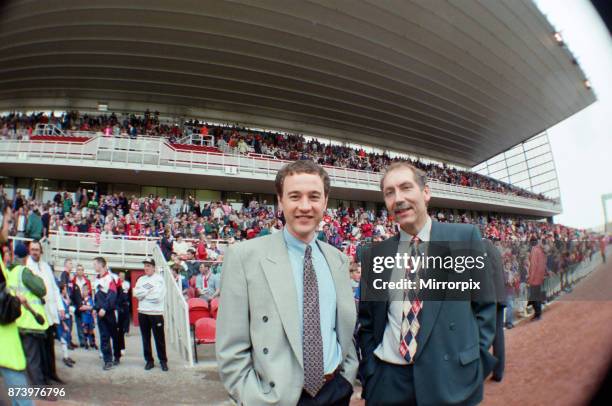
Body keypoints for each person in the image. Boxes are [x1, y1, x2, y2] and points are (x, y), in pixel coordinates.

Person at [217, 160, 358, 405]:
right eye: (295, 196)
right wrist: (251, 396)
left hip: (336, 391)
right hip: (276, 398)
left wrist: (347, 375)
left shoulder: (338, 260)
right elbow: (231, 346)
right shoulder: (244, 257)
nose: (305, 206)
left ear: (325, 202)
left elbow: (342, 328)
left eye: (314, 196)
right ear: (280, 201)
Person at [358, 162, 496, 405]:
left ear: (426, 192)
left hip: (449, 380)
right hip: (388, 383)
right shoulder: (375, 255)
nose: (398, 198)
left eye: (405, 188)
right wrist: (371, 373)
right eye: (389, 192)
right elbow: (368, 323)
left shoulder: (464, 238)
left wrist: (477, 362)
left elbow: (485, 307)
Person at [0, 206, 34, 406]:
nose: (9, 228)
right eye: (7, 223)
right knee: (22, 400)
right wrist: (15, 300)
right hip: (4, 344)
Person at [26, 241, 64, 384]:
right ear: (29, 251)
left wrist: (60, 307)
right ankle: (43, 377)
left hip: (50, 311)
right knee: (40, 348)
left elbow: (54, 288)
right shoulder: (27, 268)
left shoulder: (46, 266)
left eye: (37, 249)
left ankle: (52, 373)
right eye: (33, 249)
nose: (35, 252)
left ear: (41, 251)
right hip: (38, 314)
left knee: (50, 345)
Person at [133, 258, 168, 371]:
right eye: (145, 266)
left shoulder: (159, 279)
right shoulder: (141, 279)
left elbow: (157, 297)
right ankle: (149, 361)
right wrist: (148, 292)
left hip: (156, 313)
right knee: (145, 338)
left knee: (159, 338)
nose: (146, 268)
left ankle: (163, 361)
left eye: (148, 265)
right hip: (143, 312)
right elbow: (136, 294)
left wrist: (144, 294)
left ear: (153, 267)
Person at [93, 257, 120, 370]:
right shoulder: (96, 279)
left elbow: (112, 295)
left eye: (95, 264)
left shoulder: (109, 278)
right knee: (104, 337)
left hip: (108, 313)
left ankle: (117, 356)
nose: (93, 266)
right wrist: (95, 309)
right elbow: (96, 297)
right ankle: (107, 360)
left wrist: (104, 308)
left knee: (114, 335)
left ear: (101, 265)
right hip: (100, 313)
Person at [56, 283, 76, 368]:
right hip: (62, 321)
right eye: (65, 289)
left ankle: (67, 356)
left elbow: (68, 303)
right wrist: (64, 324)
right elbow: (60, 313)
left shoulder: (63, 298)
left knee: (66, 338)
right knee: (63, 339)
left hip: (67, 319)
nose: (66, 290)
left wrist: (67, 296)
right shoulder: (59, 299)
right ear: (62, 290)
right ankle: (65, 357)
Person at [527, 239, 547, 321]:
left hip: (535, 279)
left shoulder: (535, 251)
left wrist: (530, 279)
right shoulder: (541, 251)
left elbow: (533, 266)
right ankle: (537, 313)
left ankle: (538, 314)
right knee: (535, 297)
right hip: (539, 278)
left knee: (535, 297)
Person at [79, 284, 97, 349]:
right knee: (85, 330)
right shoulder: (81, 299)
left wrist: (86, 307)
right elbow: (80, 307)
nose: (84, 291)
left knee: (91, 330)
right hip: (84, 317)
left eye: (86, 290)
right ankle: (86, 343)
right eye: (83, 290)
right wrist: (88, 307)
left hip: (90, 317)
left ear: (88, 291)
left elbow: (93, 307)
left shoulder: (90, 299)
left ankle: (93, 343)